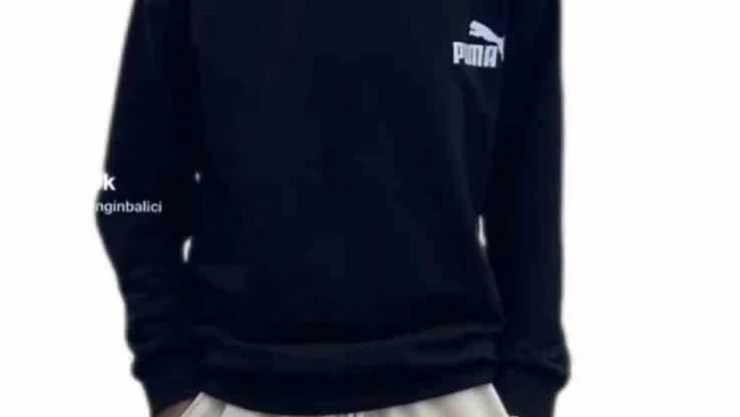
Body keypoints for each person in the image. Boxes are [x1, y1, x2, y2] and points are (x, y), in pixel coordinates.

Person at [95, 0, 570, 416]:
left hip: (452, 389)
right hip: (244, 387)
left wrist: (528, 388)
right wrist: (171, 377)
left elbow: (529, 189)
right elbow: (132, 193)